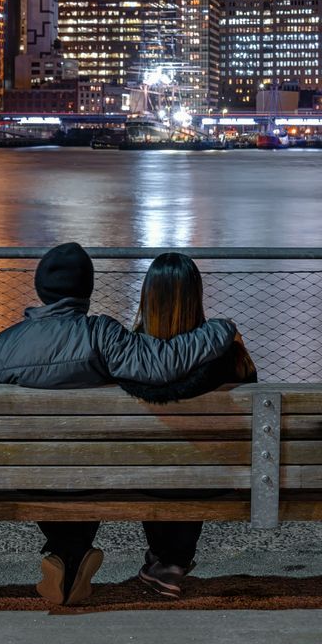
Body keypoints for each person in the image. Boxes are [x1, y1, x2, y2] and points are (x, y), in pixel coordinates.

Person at [0, 241, 241, 607]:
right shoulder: (101, 335)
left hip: (25, 474)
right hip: (93, 472)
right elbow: (161, 364)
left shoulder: (2, 346)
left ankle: (68, 554)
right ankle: (73, 555)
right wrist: (219, 330)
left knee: (54, 463)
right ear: (88, 289)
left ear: (40, 289)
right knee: (81, 462)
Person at [116, 252, 257, 597]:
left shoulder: (126, 354)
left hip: (142, 476)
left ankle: (164, 560)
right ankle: (172, 562)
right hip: (210, 477)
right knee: (195, 453)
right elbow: (253, 393)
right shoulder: (227, 353)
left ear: (147, 295)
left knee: (158, 454)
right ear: (196, 296)